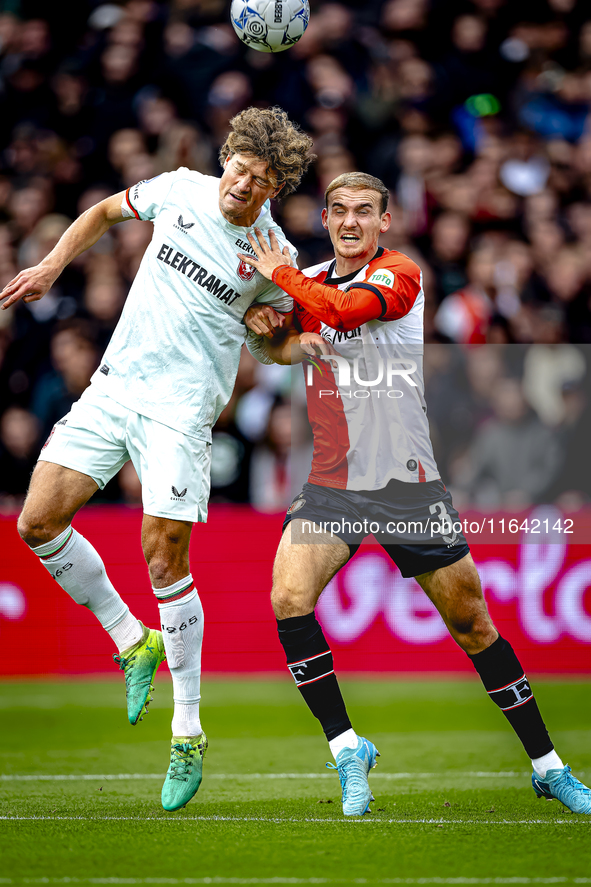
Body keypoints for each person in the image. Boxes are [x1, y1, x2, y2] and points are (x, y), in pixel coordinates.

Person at [239, 171, 591, 817]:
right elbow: (276, 348)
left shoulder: (399, 272)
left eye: (363, 211)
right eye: (339, 210)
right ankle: (348, 747)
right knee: (287, 595)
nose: (350, 221)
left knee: (471, 622)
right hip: (332, 482)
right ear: (324, 218)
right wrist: (271, 332)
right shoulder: (308, 277)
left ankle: (547, 765)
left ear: (383, 222)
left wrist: (277, 277)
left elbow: (344, 311)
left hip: (406, 481)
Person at [0, 106, 314, 812]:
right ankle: (128, 636)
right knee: (37, 521)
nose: (244, 184)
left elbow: (269, 344)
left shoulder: (276, 257)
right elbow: (107, 212)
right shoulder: (179, 187)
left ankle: (188, 730)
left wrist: (292, 340)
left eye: (262, 180)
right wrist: (52, 263)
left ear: (274, 189)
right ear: (226, 157)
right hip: (115, 387)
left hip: (181, 410)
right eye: (240, 167)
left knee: (164, 556)